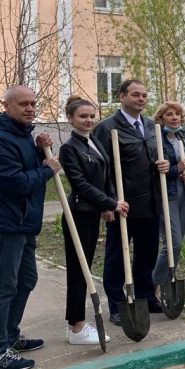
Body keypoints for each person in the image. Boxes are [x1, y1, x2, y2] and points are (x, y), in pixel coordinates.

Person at [0, 86, 59, 369]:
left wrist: (39, 153)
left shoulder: (20, 135)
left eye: (33, 103)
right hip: (4, 224)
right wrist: (48, 169)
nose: (29, 108)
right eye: (23, 104)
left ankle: (10, 336)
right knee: (3, 288)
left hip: (23, 223)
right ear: (7, 106)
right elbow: (15, 183)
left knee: (26, 280)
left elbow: (24, 168)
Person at [93, 80, 169, 326]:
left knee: (146, 253)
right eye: (136, 95)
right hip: (123, 204)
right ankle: (117, 304)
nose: (142, 99)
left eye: (145, 95)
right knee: (118, 256)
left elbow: (158, 154)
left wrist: (164, 163)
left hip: (150, 201)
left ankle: (146, 296)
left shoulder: (150, 125)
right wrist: (108, 202)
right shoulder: (107, 128)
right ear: (122, 96)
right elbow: (100, 168)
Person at [58, 96, 124, 346]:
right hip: (78, 215)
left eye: (91, 116)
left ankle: (76, 324)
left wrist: (106, 204)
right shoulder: (70, 148)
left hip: (92, 213)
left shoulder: (93, 141)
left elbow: (104, 174)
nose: (88, 120)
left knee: (84, 269)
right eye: (83, 116)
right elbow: (81, 185)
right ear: (70, 119)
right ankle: (76, 328)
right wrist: (111, 203)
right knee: (78, 270)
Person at [150, 102, 185, 294]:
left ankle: (168, 286)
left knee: (178, 243)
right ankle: (155, 284)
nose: (175, 117)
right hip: (167, 196)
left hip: (184, 195)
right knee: (173, 243)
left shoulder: (183, 138)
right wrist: (178, 169)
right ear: (161, 118)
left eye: (178, 114)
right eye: (169, 114)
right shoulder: (156, 141)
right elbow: (157, 172)